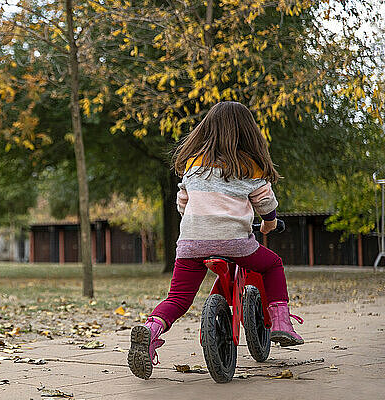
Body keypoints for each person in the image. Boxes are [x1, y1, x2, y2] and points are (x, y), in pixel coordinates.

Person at [128, 101, 304, 380]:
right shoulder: (249, 165)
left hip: (191, 243)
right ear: (248, 132)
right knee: (272, 265)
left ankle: (150, 331)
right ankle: (282, 323)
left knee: (178, 298)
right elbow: (265, 202)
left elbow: (182, 204)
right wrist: (269, 224)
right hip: (235, 242)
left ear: (206, 129)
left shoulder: (193, 165)